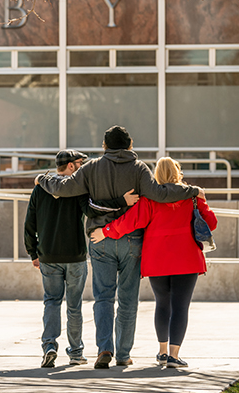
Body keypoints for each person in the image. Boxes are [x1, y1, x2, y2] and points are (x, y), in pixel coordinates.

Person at [34, 125, 204, 369]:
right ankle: (123, 354)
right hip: (132, 241)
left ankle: (104, 348)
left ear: (104, 146)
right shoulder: (139, 168)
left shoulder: (91, 167)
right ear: (130, 145)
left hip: (99, 240)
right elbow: (158, 194)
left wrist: (43, 179)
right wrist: (191, 190)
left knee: (103, 298)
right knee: (128, 299)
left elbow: (62, 189)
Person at [90, 157, 217, 368]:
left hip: (157, 261)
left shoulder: (150, 200)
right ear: (178, 173)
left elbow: (131, 221)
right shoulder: (192, 197)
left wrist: (105, 232)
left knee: (162, 304)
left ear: (156, 175)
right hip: (186, 260)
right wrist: (203, 201)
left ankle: (162, 352)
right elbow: (211, 223)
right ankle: (175, 356)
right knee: (180, 307)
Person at [25, 149, 139, 368]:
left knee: (51, 300)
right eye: (80, 163)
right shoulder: (78, 190)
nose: (83, 167)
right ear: (70, 166)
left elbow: (29, 223)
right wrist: (121, 201)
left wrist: (33, 253)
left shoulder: (40, 189)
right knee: (74, 306)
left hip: (47, 255)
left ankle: (49, 346)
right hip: (75, 255)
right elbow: (94, 210)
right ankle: (76, 353)